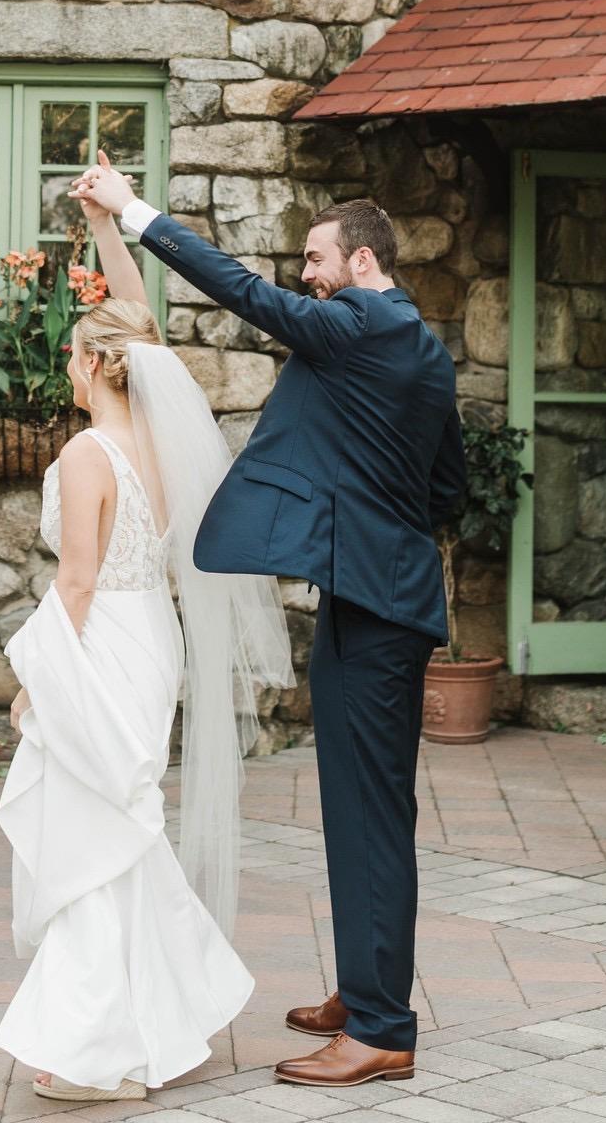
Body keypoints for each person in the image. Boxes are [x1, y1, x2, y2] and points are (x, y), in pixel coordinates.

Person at [74, 153, 466, 1093]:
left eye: (318, 259)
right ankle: (367, 991)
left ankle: (380, 1028)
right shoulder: (417, 347)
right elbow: (445, 486)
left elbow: (250, 296)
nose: (307, 275)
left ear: (363, 263)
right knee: (358, 810)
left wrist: (135, 214)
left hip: (376, 610)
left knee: (368, 817)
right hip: (374, 596)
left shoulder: (364, 322)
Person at [0, 204, 293, 1102]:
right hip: (148, 637)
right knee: (120, 830)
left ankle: (94, 1051)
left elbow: (75, 584)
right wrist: (106, 226)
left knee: (91, 833)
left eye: (72, 355)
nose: (67, 369)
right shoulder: (158, 439)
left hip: (101, 642)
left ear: (92, 363)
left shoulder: (89, 452)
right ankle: (143, 1025)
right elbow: (137, 318)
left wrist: (33, 682)